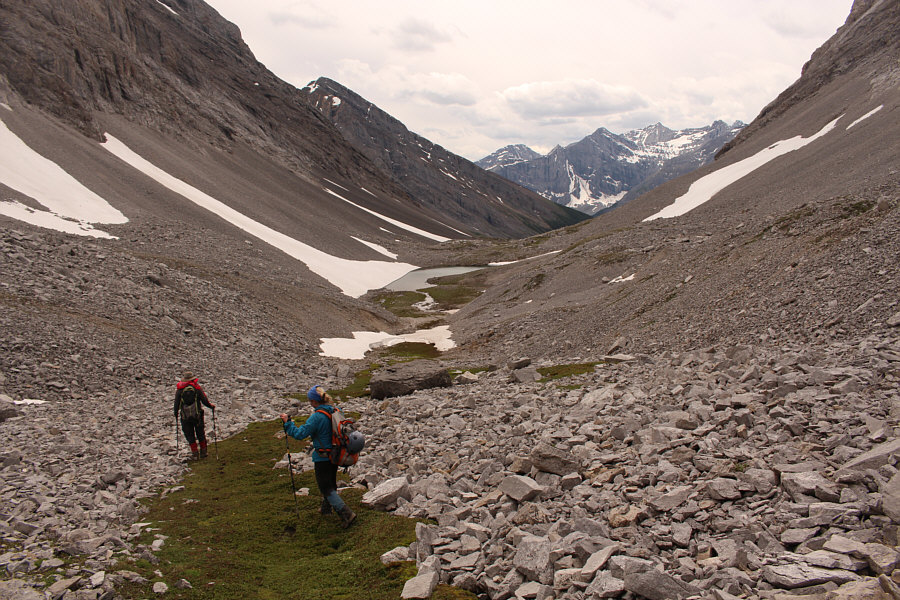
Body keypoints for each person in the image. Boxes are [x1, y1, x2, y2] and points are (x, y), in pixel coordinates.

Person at [280, 385, 356, 528]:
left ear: (314, 402)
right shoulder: (335, 411)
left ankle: (347, 514)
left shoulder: (317, 417)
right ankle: (326, 509)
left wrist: (287, 424)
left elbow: (300, 434)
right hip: (335, 454)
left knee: (325, 487)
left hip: (322, 457)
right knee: (330, 483)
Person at [174, 372, 216, 459]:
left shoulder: (180, 390)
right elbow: (204, 400)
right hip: (197, 415)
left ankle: (195, 453)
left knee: (189, 434)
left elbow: (176, 404)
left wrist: (175, 414)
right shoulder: (196, 388)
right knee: (200, 433)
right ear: (193, 379)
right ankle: (204, 453)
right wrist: (211, 406)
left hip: (185, 416)